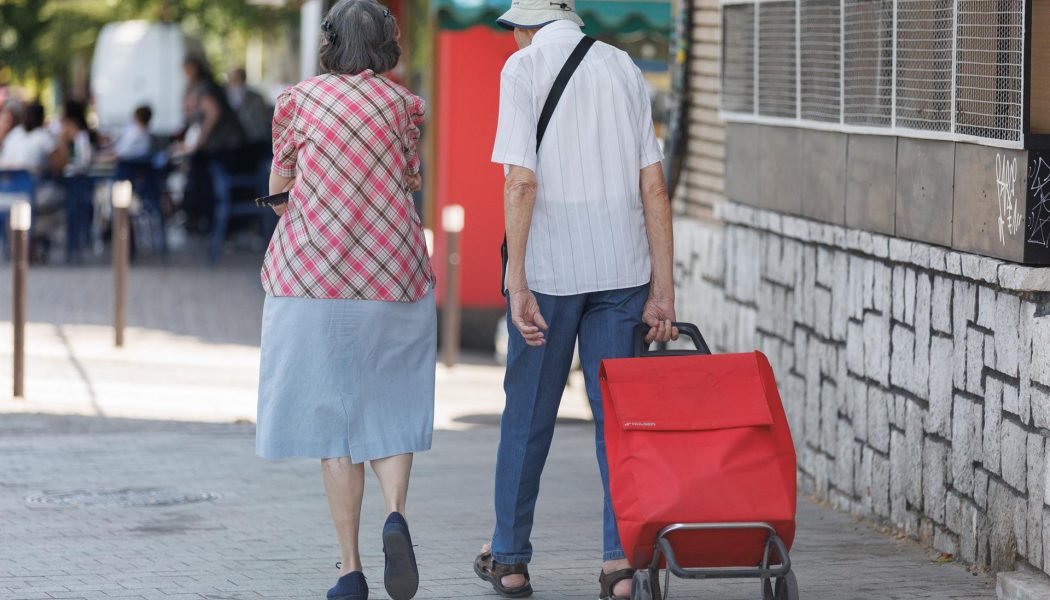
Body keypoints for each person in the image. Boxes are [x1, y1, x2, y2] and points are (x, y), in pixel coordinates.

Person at [472, 2, 679, 599]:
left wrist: (517, 283)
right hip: (623, 271)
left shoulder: (523, 71)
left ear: (526, 28)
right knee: (619, 421)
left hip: (550, 274)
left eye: (514, 30)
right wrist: (662, 287)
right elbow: (654, 185)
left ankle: (509, 559)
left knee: (528, 414)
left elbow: (520, 180)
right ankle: (621, 566)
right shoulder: (622, 67)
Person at [254, 2, 432, 600]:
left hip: (313, 276)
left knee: (335, 427)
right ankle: (396, 514)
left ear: (330, 43)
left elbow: (280, 183)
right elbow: (410, 178)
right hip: (394, 273)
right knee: (392, 404)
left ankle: (350, 570)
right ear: (388, 43)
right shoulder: (404, 105)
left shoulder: (298, 101)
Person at [179, 56, 246, 232]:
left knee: (203, 176)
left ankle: (207, 220)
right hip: (222, 144)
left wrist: (201, 139)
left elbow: (212, 113)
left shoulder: (204, 87)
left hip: (224, 144)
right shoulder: (201, 86)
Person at [226, 67, 274, 152]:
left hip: (252, 139)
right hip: (232, 140)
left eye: (239, 78)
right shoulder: (225, 96)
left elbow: (262, 117)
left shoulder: (256, 97)